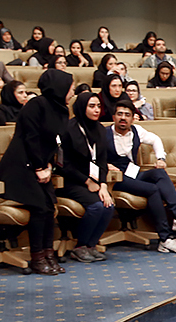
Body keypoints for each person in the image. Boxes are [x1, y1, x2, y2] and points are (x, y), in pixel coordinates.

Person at [0, 70, 74, 275]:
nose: (72, 91)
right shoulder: (36, 105)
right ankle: (37, 257)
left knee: (49, 207)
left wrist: (49, 167)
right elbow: (31, 138)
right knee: (39, 207)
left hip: (41, 166)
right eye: (70, 87)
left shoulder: (61, 109)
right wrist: (39, 167)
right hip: (20, 167)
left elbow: (55, 144)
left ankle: (48, 254)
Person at [106, 100, 176, 253]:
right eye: (120, 114)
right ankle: (166, 238)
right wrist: (105, 165)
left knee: (159, 173)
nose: (123, 118)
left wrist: (161, 158)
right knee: (152, 189)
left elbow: (155, 139)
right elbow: (91, 156)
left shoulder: (137, 130)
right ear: (113, 117)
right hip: (114, 178)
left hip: (132, 173)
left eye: (127, 115)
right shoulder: (103, 133)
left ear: (133, 118)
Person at [57, 92, 116, 264]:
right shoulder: (68, 129)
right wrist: (87, 181)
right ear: (82, 108)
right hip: (70, 181)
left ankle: (91, 245)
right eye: (92, 106)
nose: (96, 110)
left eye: (98, 106)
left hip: (95, 180)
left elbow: (102, 161)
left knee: (109, 206)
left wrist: (103, 185)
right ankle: (80, 246)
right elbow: (63, 165)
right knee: (97, 207)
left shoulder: (100, 129)